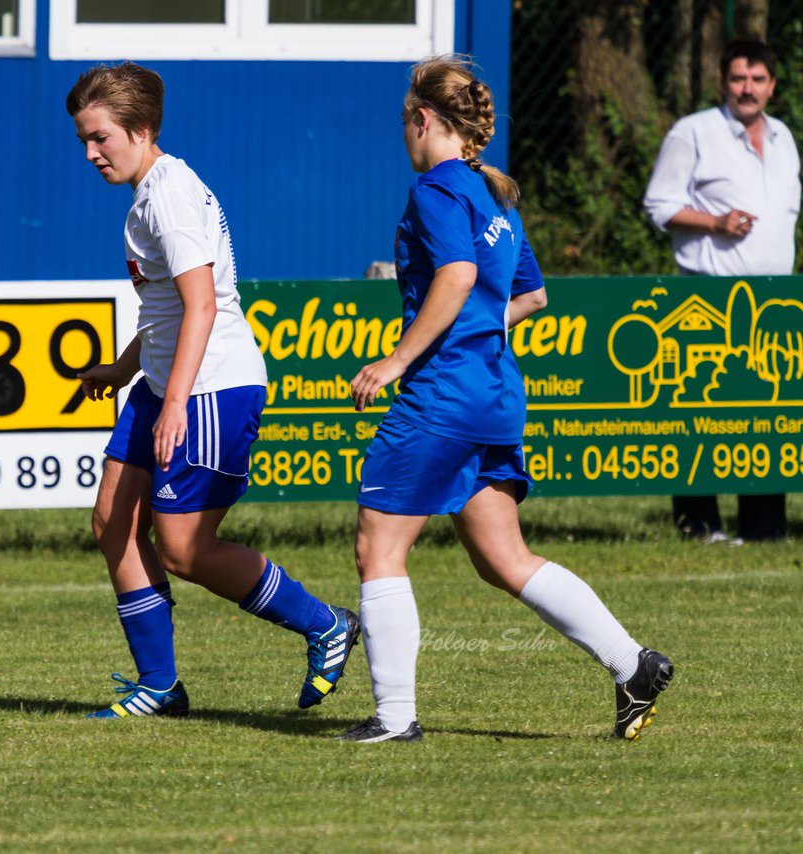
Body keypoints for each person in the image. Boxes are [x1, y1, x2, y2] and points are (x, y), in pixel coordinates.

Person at [337, 56, 673, 744]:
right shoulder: (493, 196)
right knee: (502, 558)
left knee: (378, 547)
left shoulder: (436, 189)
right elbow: (533, 297)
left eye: (406, 120)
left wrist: (398, 359)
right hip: (493, 392)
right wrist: (472, 327)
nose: (404, 133)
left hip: (443, 393)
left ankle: (395, 719)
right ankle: (632, 665)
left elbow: (458, 275)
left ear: (424, 119)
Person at [66, 61, 360, 719]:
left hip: (208, 391)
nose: (90, 153)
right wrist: (123, 370)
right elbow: (170, 310)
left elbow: (202, 306)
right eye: (84, 139)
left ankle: (324, 624)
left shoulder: (168, 195)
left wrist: (172, 407)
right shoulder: (154, 190)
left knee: (183, 547)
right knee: (113, 522)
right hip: (165, 385)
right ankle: (160, 687)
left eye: (100, 137)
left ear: (140, 129)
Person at [644, 38, 799, 544]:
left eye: (757, 79)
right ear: (722, 83)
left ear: (772, 86)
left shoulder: (783, 137)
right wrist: (715, 222)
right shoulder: (694, 132)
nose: (747, 89)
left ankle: (764, 528)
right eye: (738, 79)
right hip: (708, 298)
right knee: (701, 412)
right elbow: (658, 204)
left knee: (764, 412)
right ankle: (699, 524)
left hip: (772, 302)